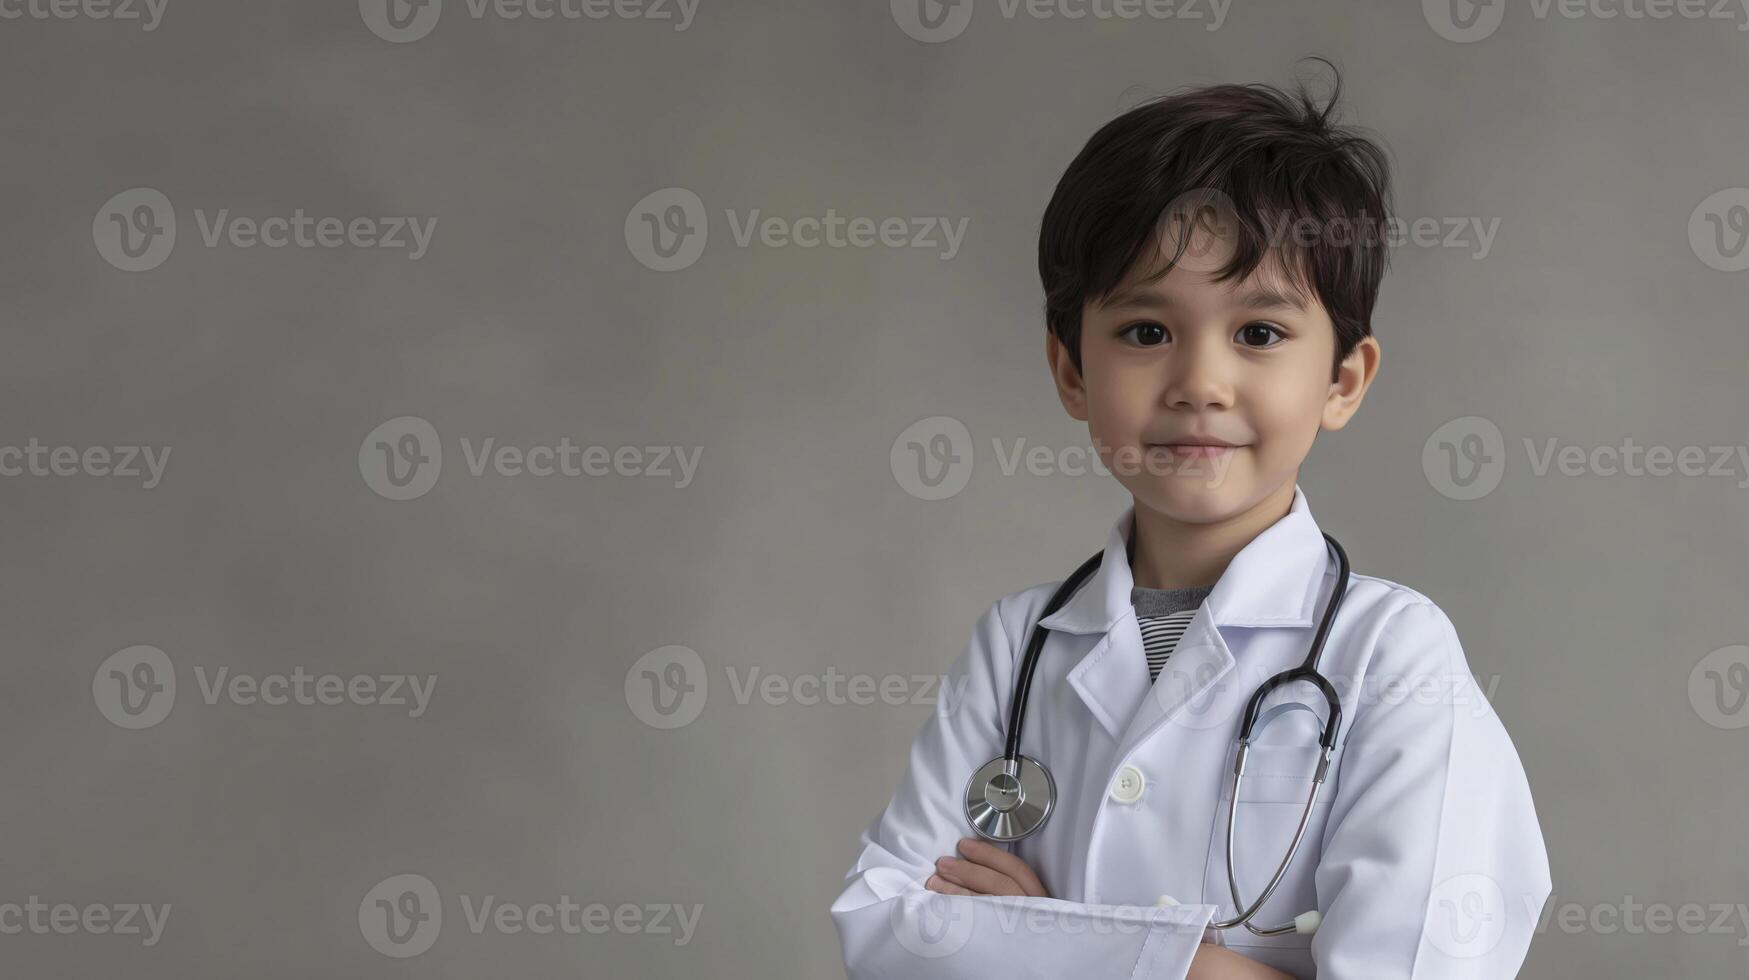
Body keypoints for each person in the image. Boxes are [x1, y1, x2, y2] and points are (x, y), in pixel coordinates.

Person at [829, 63, 1552, 979]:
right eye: (1144, 331)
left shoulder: (1392, 656)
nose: (1199, 384)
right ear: (1071, 373)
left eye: (1258, 333)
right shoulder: (1015, 646)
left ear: (1342, 381)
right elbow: (884, 933)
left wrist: (1050, 938)